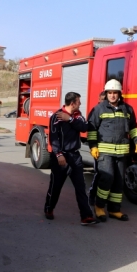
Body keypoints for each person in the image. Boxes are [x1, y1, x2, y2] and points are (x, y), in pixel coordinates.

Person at [87, 79, 137, 222]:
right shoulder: (99, 109)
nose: (112, 95)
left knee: (118, 181)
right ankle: (99, 207)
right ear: (106, 94)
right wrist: (93, 146)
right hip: (105, 151)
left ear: (119, 94)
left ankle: (114, 210)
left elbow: (133, 127)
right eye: (109, 93)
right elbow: (92, 129)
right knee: (107, 178)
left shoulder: (127, 109)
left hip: (122, 152)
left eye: (115, 93)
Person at [44, 92, 98, 226]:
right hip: (61, 157)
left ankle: (86, 216)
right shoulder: (56, 117)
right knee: (55, 186)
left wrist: (70, 119)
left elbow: (85, 127)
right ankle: (49, 208)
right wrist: (58, 154)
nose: (80, 103)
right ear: (72, 103)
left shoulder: (77, 115)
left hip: (75, 156)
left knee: (80, 187)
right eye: (78, 101)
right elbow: (53, 138)